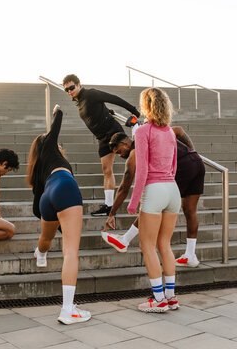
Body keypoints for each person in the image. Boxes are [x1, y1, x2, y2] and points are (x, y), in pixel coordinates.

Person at [101, 128, 205, 268]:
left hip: (181, 166)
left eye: (119, 151)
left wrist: (112, 213)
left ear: (125, 143)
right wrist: (191, 151)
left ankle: (125, 240)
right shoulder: (157, 131)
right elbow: (179, 131)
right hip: (197, 163)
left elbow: (124, 187)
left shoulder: (135, 151)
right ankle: (190, 255)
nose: (120, 155)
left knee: (155, 203)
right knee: (190, 211)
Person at [27, 104, 91, 325]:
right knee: (71, 251)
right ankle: (67, 310)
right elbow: (57, 124)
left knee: (46, 238)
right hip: (65, 186)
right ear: (49, 143)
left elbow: (37, 209)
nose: (59, 145)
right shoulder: (50, 147)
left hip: (48, 197)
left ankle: (41, 254)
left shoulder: (37, 169)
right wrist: (57, 110)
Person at [127, 87, 181, 313]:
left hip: (154, 189)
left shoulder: (142, 132)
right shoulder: (169, 131)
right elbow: (174, 166)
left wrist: (133, 202)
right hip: (172, 190)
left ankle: (158, 300)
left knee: (147, 245)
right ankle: (171, 297)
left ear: (146, 106)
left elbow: (142, 171)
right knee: (164, 244)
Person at [62, 74, 140, 217]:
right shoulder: (79, 102)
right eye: (66, 90)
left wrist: (134, 111)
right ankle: (109, 205)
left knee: (133, 160)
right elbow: (95, 112)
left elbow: (113, 99)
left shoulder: (91, 94)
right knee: (106, 170)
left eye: (72, 87)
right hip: (101, 139)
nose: (69, 91)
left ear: (79, 84)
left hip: (113, 133)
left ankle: (141, 192)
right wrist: (106, 111)